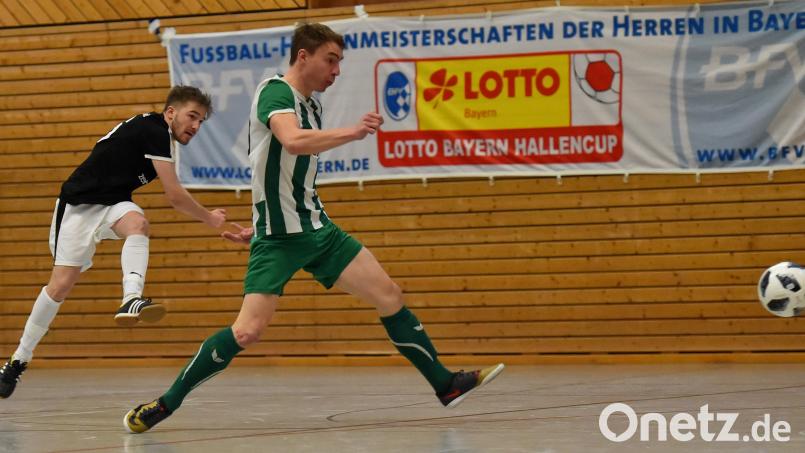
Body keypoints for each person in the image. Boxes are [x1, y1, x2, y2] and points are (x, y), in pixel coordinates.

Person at [123, 23, 504, 434]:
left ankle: (444, 385)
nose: (336, 71)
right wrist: (355, 132)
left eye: (339, 62)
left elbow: (286, 174)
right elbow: (291, 142)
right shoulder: (276, 92)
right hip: (279, 240)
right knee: (247, 331)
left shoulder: (313, 107)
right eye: (331, 60)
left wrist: (261, 215)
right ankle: (165, 404)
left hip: (318, 229)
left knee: (389, 295)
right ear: (303, 56)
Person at [0, 86, 227, 399]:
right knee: (60, 286)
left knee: (138, 223)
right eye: (192, 116)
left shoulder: (160, 138)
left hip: (113, 203)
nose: (196, 126)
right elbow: (175, 196)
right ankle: (18, 360)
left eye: (201, 121)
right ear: (171, 113)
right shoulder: (155, 131)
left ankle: (131, 298)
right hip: (78, 206)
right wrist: (210, 218)